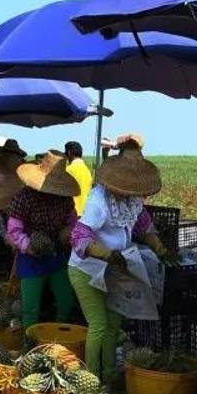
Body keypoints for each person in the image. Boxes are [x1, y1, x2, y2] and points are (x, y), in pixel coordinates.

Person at [69, 135, 166, 381]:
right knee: (99, 325)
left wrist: (158, 246)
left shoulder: (133, 200)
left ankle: (109, 378)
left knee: (114, 325)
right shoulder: (99, 201)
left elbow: (144, 226)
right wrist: (104, 253)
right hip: (86, 269)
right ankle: (91, 380)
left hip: (115, 268)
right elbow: (79, 236)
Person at [6, 150, 79, 330]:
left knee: (66, 300)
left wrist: (69, 231)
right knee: (30, 308)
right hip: (31, 257)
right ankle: (28, 345)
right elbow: (14, 230)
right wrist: (27, 245)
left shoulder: (65, 198)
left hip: (56, 255)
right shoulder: (23, 198)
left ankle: (58, 334)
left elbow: (73, 220)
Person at [64, 141, 93, 216]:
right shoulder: (88, 171)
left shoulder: (69, 170)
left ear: (69, 152)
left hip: (72, 214)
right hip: (84, 212)